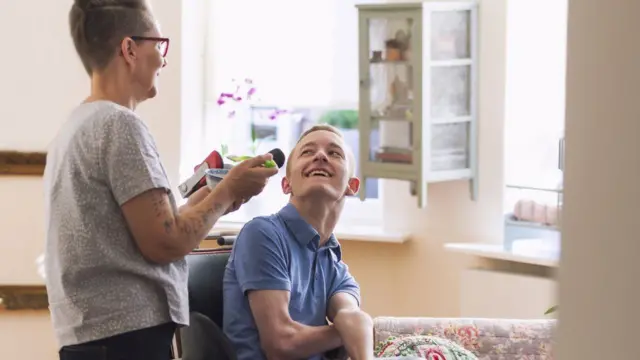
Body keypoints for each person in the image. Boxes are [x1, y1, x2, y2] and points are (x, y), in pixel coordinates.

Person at [43, 1, 278, 359]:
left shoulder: (75, 128)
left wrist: (222, 194)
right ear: (129, 48)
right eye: (159, 45)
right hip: (127, 339)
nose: (164, 60)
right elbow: (165, 242)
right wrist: (228, 190)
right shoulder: (120, 126)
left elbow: (148, 230)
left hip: (94, 337)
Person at [223, 124, 375, 360]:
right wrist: (353, 330)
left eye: (334, 153)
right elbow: (281, 343)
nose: (321, 156)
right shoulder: (262, 233)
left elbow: (350, 315)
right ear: (286, 184)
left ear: (351, 187)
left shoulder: (335, 266)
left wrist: (356, 325)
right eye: (307, 152)